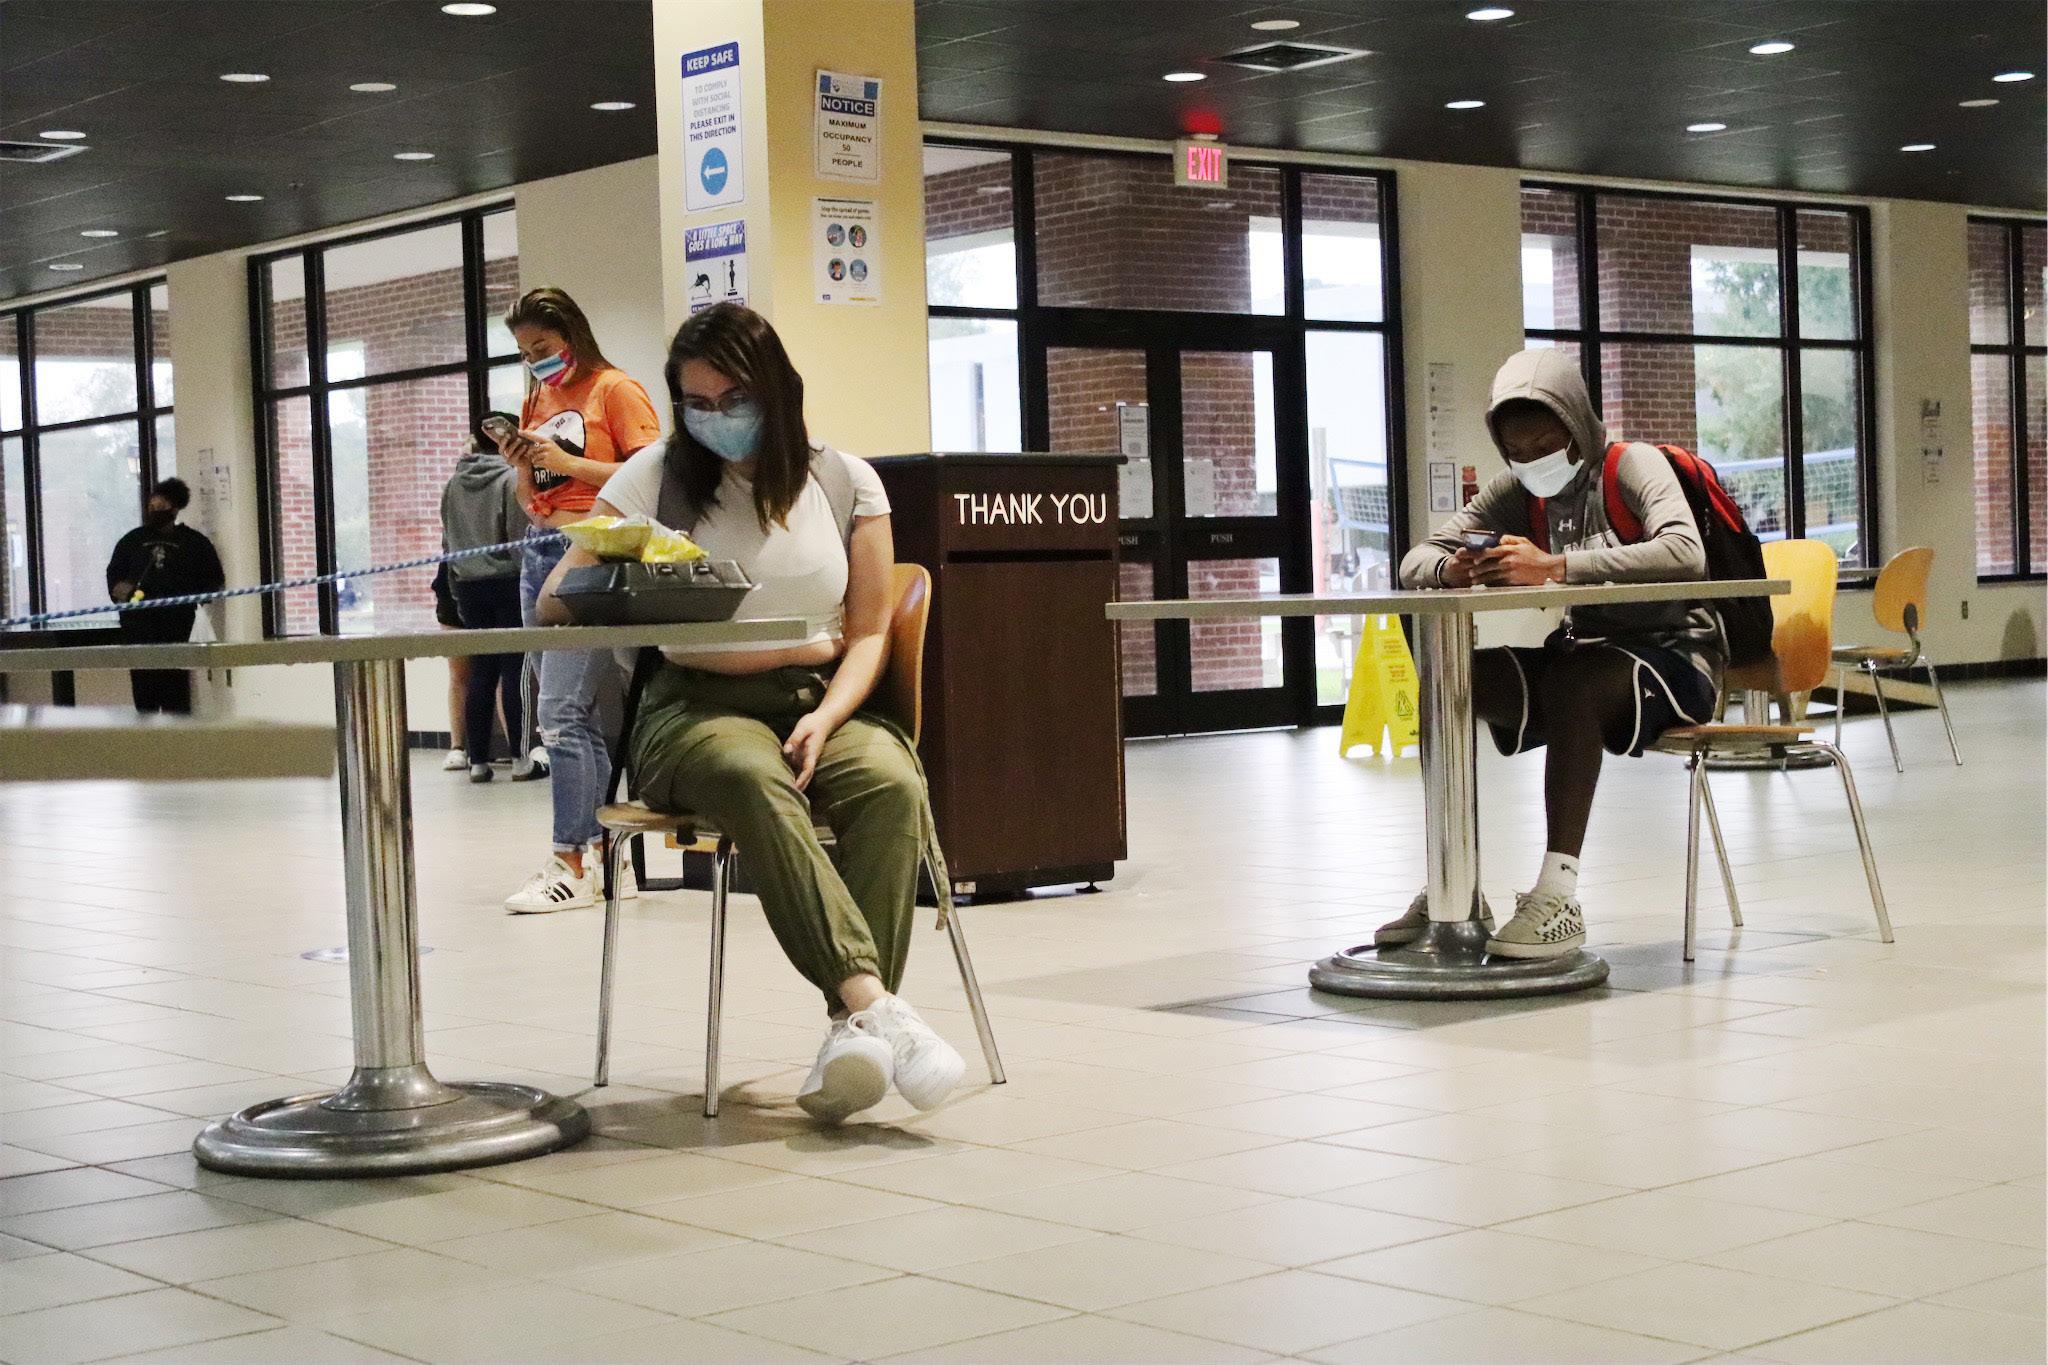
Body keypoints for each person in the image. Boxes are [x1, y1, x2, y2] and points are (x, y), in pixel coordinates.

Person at [536, 303, 966, 1124]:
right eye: (697, 403)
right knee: (748, 774)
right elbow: (557, 598)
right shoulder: (651, 479)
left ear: (776, 391)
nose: (716, 418)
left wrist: (830, 716)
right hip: (693, 706)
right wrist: (634, 565)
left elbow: (870, 632)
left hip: (820, 699)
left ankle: (852, 1033)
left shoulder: (844, 481)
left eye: (733, 399)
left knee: (890, 783)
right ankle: (875, 1006)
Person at [1387, 347, 1720, 959]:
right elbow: (1417, 559)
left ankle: (1558, 894)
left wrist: (1556, 566)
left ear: (1578, 425)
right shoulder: (1517, 491)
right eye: (1517, 451)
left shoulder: (1630, 465)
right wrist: (1451, 569)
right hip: (1584, 655)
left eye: (1546, 443)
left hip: (1678, 659)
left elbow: (1684, 551)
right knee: (1454, 678)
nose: (1533, 460)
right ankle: (1454, 886)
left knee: (1574, 680)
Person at [494, 287, 662, 910]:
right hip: (540, 549)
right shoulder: (538, 398)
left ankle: (570, 858)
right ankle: (602, 857)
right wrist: (522, 463)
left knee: (560, 715)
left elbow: (651, 477)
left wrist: (568, 463)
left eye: (541, 347)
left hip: (593, 552)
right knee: (572, 716)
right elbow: (532, 495)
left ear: (572, 335)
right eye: (523, 353)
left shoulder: (616, 390)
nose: (534, 361)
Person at [441, 412, 528, 782]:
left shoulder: (452, 484)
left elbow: (448, 541)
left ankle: (477, 761)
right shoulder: (511, 479)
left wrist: (457, 586)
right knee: (514, 670)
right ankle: (521, 758)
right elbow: (518, 537)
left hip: (467, 586)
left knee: (481, 672)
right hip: (507, 582)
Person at [104, 478, 225, 715]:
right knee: (144, 694)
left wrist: (189, 595)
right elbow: (114, 577)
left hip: (177, 626)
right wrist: (122, 591)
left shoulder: (194, 543)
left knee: (175, 693)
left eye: (162, 506)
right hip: (138, 627)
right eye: (152, 505)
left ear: (175, 508)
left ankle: (175, 736)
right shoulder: (132, 541)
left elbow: (213, 580)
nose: (155, 510)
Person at [429, 562, 472, 772]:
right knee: (458, 673)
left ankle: (518, 749)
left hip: (492, 582)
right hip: (453, 582)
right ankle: (457, 746)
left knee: (501, 670)